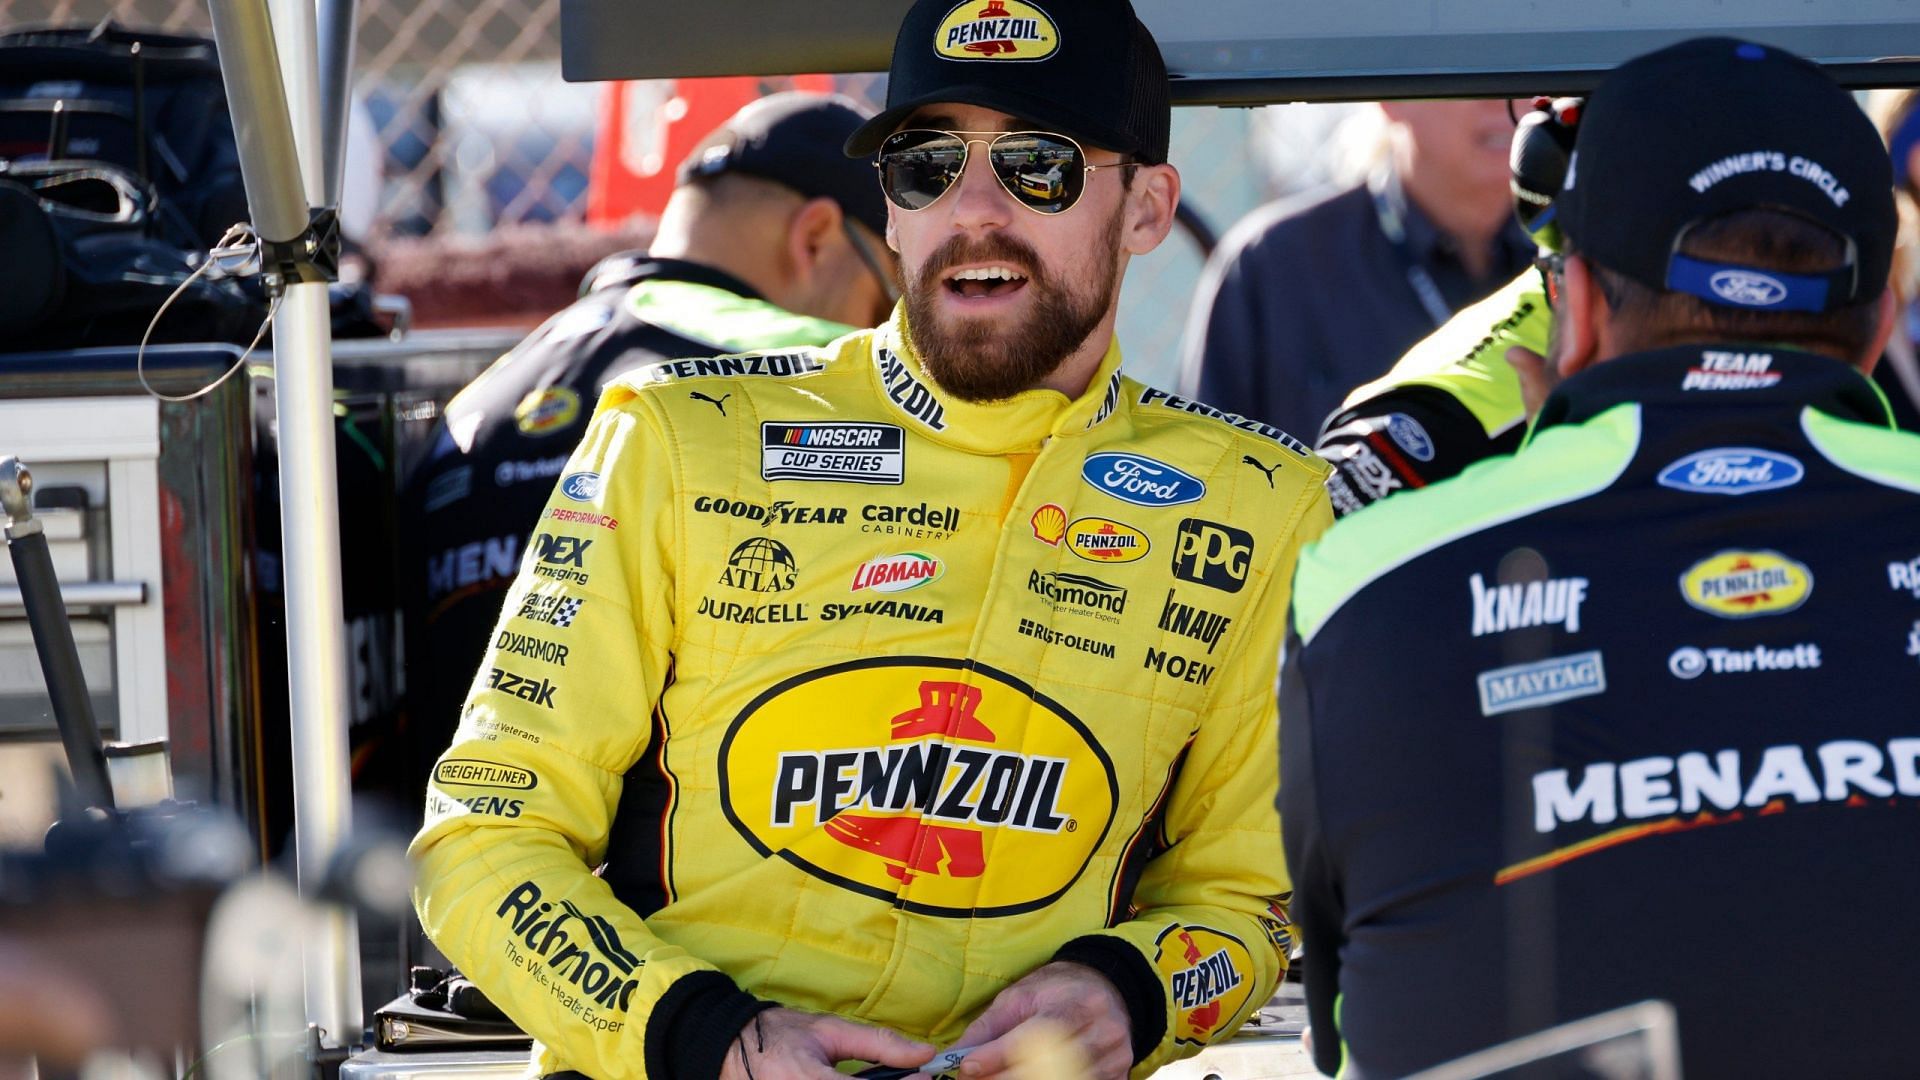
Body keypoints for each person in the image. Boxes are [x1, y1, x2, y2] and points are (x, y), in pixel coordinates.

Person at [409, 0, 1332, 1076]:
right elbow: (483, 837)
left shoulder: (1259, 505)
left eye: (1038, 164)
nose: (973, 209)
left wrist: (1128, 988)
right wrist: (709, 1040)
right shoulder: (675, 443)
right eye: (925, 164)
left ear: (1145, 207)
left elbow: (1255, 900)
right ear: (888, 211)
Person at [1282, 37, 1920, 1079]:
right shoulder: (1427, 422)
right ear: (1882, 319)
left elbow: (1342, 1005)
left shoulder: (1365, 570)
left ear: (1571, 306)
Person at [397, 92, 898, 784]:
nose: (882, 326)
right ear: (814, 238)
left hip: (463, 859)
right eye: (886, 297)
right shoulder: (821, 370)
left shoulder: (477, 402)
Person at [1177, 98, 1536, 438]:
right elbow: (1203, 469)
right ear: (1394, 97)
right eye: (1474, 73)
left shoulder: (1578, 248)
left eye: (1526, 69)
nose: (1505, 101)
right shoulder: (1274, 263)